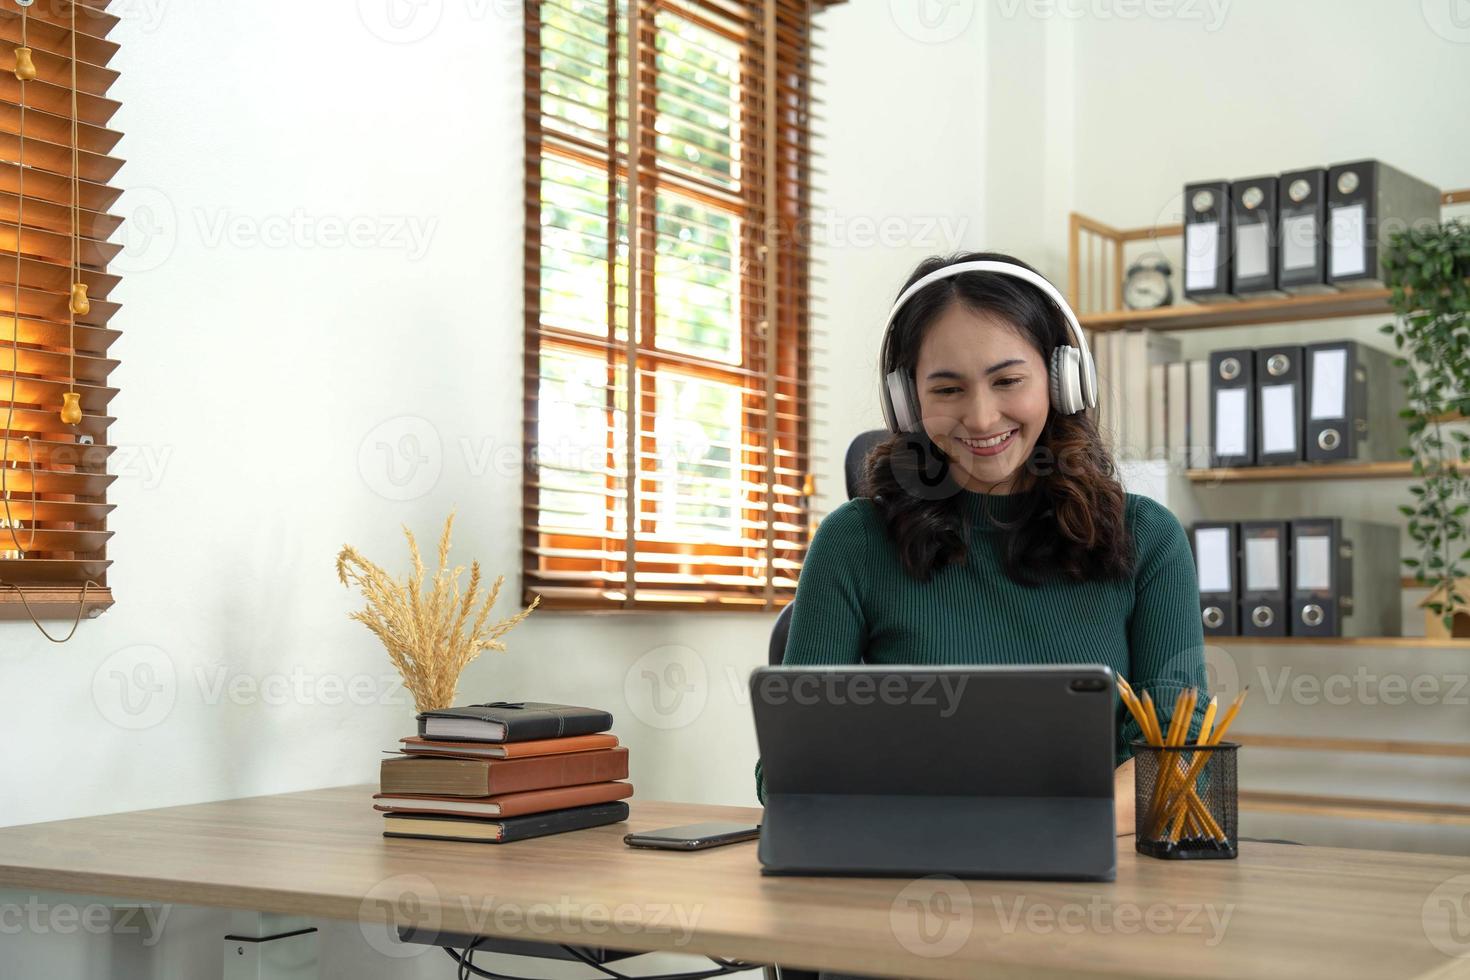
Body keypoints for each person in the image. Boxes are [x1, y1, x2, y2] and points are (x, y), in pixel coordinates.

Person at [753, 251, 1210, 837]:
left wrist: (1026, 826)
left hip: (1091, 881)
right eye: (947, 389)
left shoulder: (1148, 538)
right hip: (908, 883)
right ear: (906, 399)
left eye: (1008, 380)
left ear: (1063, 380)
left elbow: (1177, 761)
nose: (981, 415)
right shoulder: (852, 543)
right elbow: (790, 772)